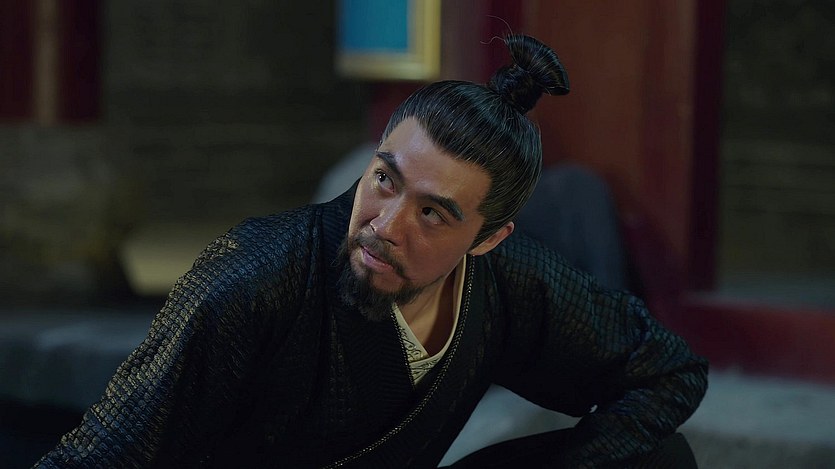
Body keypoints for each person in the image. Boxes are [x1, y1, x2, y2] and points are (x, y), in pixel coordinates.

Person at [35, 34, 707, 468]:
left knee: (658, 459)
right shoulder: (252, 276)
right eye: (385, 179)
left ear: (487, 238)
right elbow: (103, 453)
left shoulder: (509, 278)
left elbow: (668, 370)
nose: (386, 225)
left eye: (433, 214)